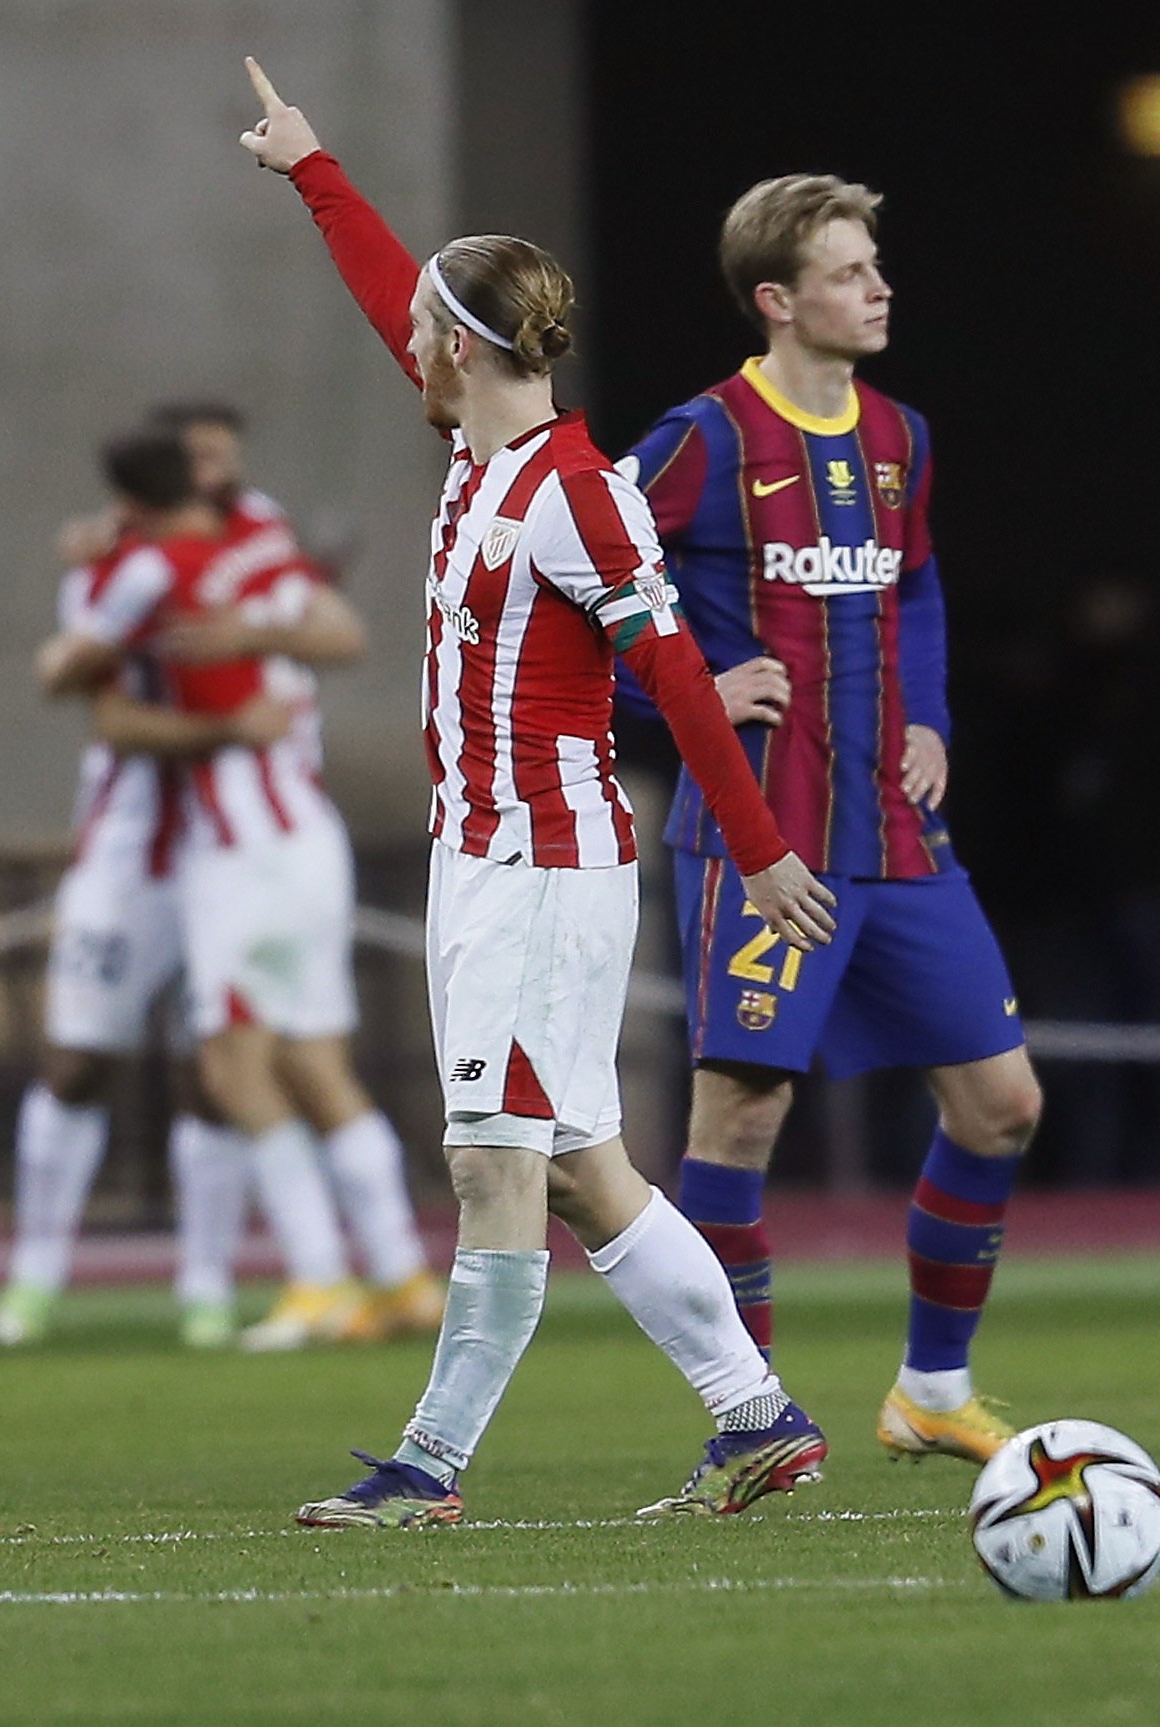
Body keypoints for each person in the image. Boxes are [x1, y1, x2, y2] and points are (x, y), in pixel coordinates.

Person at [238, 60, 840, 1525]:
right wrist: (316, 167)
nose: (410, 342)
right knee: (578, 1166)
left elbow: (680, 678)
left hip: (542, 860)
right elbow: (399, 283)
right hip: (491, 858)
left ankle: (427, 1468)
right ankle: (757, 1418)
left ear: (463, 346)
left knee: (490, 1159)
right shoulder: (479, 448)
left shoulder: (572, 491)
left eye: (426, 331)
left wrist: (756, 851)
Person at [616, 171, 1042, 1465]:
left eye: (874, 266)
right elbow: (585, 567)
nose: (879, 287)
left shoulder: (900, 436)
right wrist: (673, 674)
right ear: (778, 300)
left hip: (900, 838)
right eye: (851, 272)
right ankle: (745, 1415)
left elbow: (914, 590)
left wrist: (933, 722)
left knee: (1003, 1103)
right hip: (765, 840)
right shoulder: (700, 440)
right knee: (737, 1124)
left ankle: (929, 1387)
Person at [38, 419, 444, 1354]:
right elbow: (340, 630)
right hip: (306, 837)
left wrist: (89, 587)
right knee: (313, 1064)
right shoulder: (263, 544)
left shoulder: (146, 570)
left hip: (238, 853)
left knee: (231, 1067)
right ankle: (402, 1277)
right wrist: (260, 627)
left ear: (133, 499)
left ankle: (317, 1281)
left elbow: (75, 683)